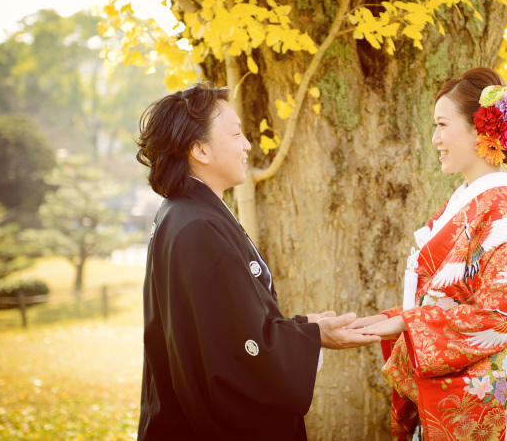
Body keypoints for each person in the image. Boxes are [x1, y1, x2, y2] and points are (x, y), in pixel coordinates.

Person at [135, 82, 379, 441]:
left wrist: (303, 328)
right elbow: (233, 354)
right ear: (200, 149)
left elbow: (226, 326)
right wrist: (312, 337)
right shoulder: (196, 226)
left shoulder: (187, 214)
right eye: (236, 134)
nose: (248, 144)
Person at [351, 68, 507, 441]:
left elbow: (498, 315)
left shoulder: (506, 218)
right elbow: (450, 301)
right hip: (439, 397)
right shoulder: (469, 208)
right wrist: (393, 318)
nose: (435, 138)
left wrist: (409, 323)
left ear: (480, 131)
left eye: (442, 125)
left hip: (478, 407)